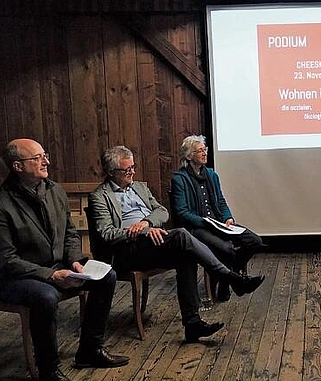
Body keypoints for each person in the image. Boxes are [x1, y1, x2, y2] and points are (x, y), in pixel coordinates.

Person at [88, 146, 265, 343]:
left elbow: (162, 212)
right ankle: (230, 276)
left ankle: (192, 325)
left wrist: (147, 223)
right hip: (127, 250)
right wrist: (142, 231)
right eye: (126, 170)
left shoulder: (139, 187)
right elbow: (107, 234)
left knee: (185, 255)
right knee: (181, 234)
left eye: (133, 167)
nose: (132, 172)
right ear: (112, 172)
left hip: (152, 241)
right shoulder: (99, 196)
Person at [0, 139, 129, 381]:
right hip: (16, 276)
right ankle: (49, 371)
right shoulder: (2, 203)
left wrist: (74, 263)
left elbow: (70, 234)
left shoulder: (54, 190)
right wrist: (50, 275)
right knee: (45, 295)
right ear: (17, 166)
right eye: (37, 158)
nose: (46, 161)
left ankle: (90, 350)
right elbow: (6, 260)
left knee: (106, 275)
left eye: (44, 155)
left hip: (57, 265)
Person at [170, 135, 265, 301]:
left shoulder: (212, 175)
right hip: (197, 228)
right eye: (199, 151)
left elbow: (221, 201)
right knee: (227, 250)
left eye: (204, 149)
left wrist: (228, 217)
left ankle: (227, 278)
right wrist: (205, 222)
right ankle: (232, 282)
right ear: (189, 155)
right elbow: (181, 212)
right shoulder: (179, 179)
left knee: (254, 241)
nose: (204, 153)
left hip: (218, 223)